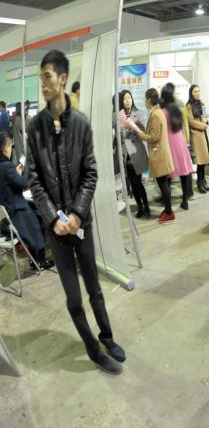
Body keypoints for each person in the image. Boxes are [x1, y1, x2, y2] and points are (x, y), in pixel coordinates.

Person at [27, 50, 125, 374]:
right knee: (73, 298)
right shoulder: (35, 127)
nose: (43, 83)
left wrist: (77, 214)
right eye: (41, 77)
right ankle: (93, 350)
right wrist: (53, 218)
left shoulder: (81, 124)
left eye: (47, 76)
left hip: (81, 224)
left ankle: (107, 338)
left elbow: (91, 173)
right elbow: (34, 180)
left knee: (94, 288)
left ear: (62, 78)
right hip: (56, 231)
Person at [0, 133, 54, 270]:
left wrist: (16, 174)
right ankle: (40, 261)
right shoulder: (6, 166)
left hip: (10, 209)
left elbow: (9, 184)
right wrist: (27, 168)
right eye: (10, 146)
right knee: (39, 223)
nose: (11, 149)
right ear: (5, 148)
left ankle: (34, 261)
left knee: (36, 218)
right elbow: (24, 183)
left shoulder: (3, 166)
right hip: (19, 210)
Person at [130, 88, 175, 223]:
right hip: (161, 152)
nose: (144, 101)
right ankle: (168, 210)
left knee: (163, 184)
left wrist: (141, 134)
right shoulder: (157, 112)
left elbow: (154, 137)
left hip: (159, 154)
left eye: (145, 98)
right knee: (163, 183)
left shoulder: (155, 114)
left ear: (149, 99)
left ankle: (169, 213)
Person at [117, 90, 150, 218]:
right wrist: (120, 130)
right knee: (132, 182)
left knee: (138, 182)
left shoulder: (139, 114)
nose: (127, 101)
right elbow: (119, 136)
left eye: (129, 98)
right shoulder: (119, 116)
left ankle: (146, 205)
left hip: (137, 151)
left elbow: (144, 131)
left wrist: (131, 128)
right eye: (125, 99)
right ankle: (139, 206)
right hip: (127, 154)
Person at [160, 84, 194, 210]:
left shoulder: (162, 112)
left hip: (168, 143)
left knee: (166, 174)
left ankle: (166, 202)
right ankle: (185, 201)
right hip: (180, 143)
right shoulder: (177, 110)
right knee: (183, 173)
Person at [185, 85, 209, 194]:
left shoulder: (202, 103)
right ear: (191, 93)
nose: (197, 93)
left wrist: (207, 120)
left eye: (198, 91)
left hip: (204, 135)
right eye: (195, 92)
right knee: (200, 162)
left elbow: (208, 115)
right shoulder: (189, 106)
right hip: (197, 136)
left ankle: (203, 181)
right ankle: (199, 183)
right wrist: (203, 125)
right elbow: (190, 121)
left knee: (204, 161)